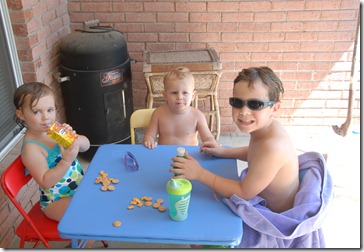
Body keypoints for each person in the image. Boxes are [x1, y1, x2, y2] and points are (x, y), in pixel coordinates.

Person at [170, 66, 299, 214]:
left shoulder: (274, 147)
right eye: (238, 102)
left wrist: (199, 173)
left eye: (255, 104)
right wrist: (224, 151)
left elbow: (243, 192)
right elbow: (255, 153)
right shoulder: (266, 130)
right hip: (261, 197)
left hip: (273, 218)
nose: (244, 112)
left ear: (274, 108)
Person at [13, 82, 94, 248]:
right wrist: (66, 160)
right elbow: (45, 181)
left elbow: (86, 145)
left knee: (104, 201)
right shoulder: (31, 148)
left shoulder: (54, 130)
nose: (46, 117)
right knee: (89, 217)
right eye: (37, 112)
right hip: (55, 201)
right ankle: (80, 246)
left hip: (79, 189)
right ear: (21, 114)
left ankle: (81, 245)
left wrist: (75, 140)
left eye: (50, 110)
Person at [143, 66, 217, 148]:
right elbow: (149, 135)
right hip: (164, 155)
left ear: (193, 96)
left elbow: (207, 138)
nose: (179, 97)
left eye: (185, 93)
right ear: (165, 95)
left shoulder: (197, 116)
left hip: (189, 157)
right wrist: (149, 141)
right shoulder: (158, 114)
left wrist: (212, 143)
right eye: (174, 93)